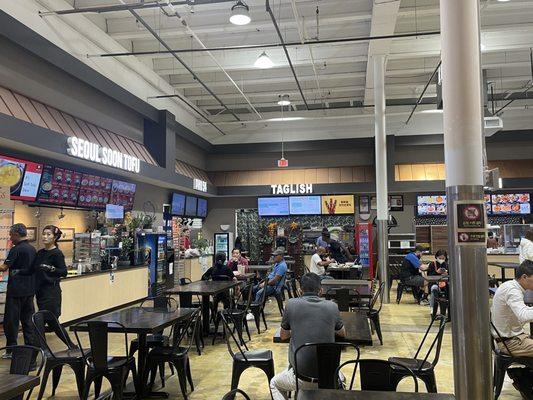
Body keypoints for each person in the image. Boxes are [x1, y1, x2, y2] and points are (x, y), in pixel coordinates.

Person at [270, 273, 346, 399]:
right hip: (329, 379)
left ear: (300, 291)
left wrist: (297, 327)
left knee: (274, 384)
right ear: (321, 291)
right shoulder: (332, 306)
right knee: (342, 378)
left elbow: (283, 336)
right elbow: (343, 333)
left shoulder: (291, 304)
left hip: (301, 379)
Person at [0, 224, 37, 358]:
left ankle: (11, 350)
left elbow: (4, 267)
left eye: (10, 235)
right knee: (28, 321)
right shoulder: (33, 249)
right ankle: (30, 349)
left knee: (11, 322)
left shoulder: (16, 249)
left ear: (16, 234)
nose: (10, 237)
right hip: (29, 290)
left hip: (16, 291)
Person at [34, 226, 68, 326]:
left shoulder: (57, 253)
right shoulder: (40, 253)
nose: (45, 237)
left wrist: (51, 268)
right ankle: (40, 342)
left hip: (51, 292)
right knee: (44, 321)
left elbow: (63, 272)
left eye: (48, 234)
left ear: (55, 237)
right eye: (44, 234)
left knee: (50, 321)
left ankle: (69, 342)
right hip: (40, 291)